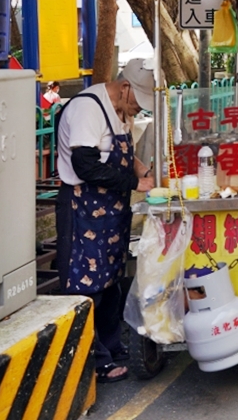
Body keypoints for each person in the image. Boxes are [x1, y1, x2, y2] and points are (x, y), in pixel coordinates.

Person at [55, 58, 156, 384]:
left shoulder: (119, 111)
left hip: (111, 213)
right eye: (138, 103)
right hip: (83, 209)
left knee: (110, 284)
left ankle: (113, 347)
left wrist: (142, 171)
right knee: (87, 286)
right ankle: (95, 359)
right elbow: (85, 165)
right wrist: (133, 184)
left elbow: (121, 152)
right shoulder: (89, 108)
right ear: (125, 87)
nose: (138, 110)